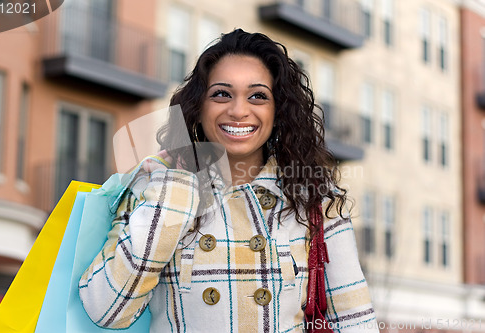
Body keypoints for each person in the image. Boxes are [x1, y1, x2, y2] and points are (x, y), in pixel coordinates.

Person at [79, 29, 379, 332]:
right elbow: (107, 310)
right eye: (222, 94)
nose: (238, 111)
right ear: (199, 106)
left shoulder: (314, 198)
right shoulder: (152, 187)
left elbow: (355, 321)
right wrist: (176, 195)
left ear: (278, 112)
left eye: (258, 96)